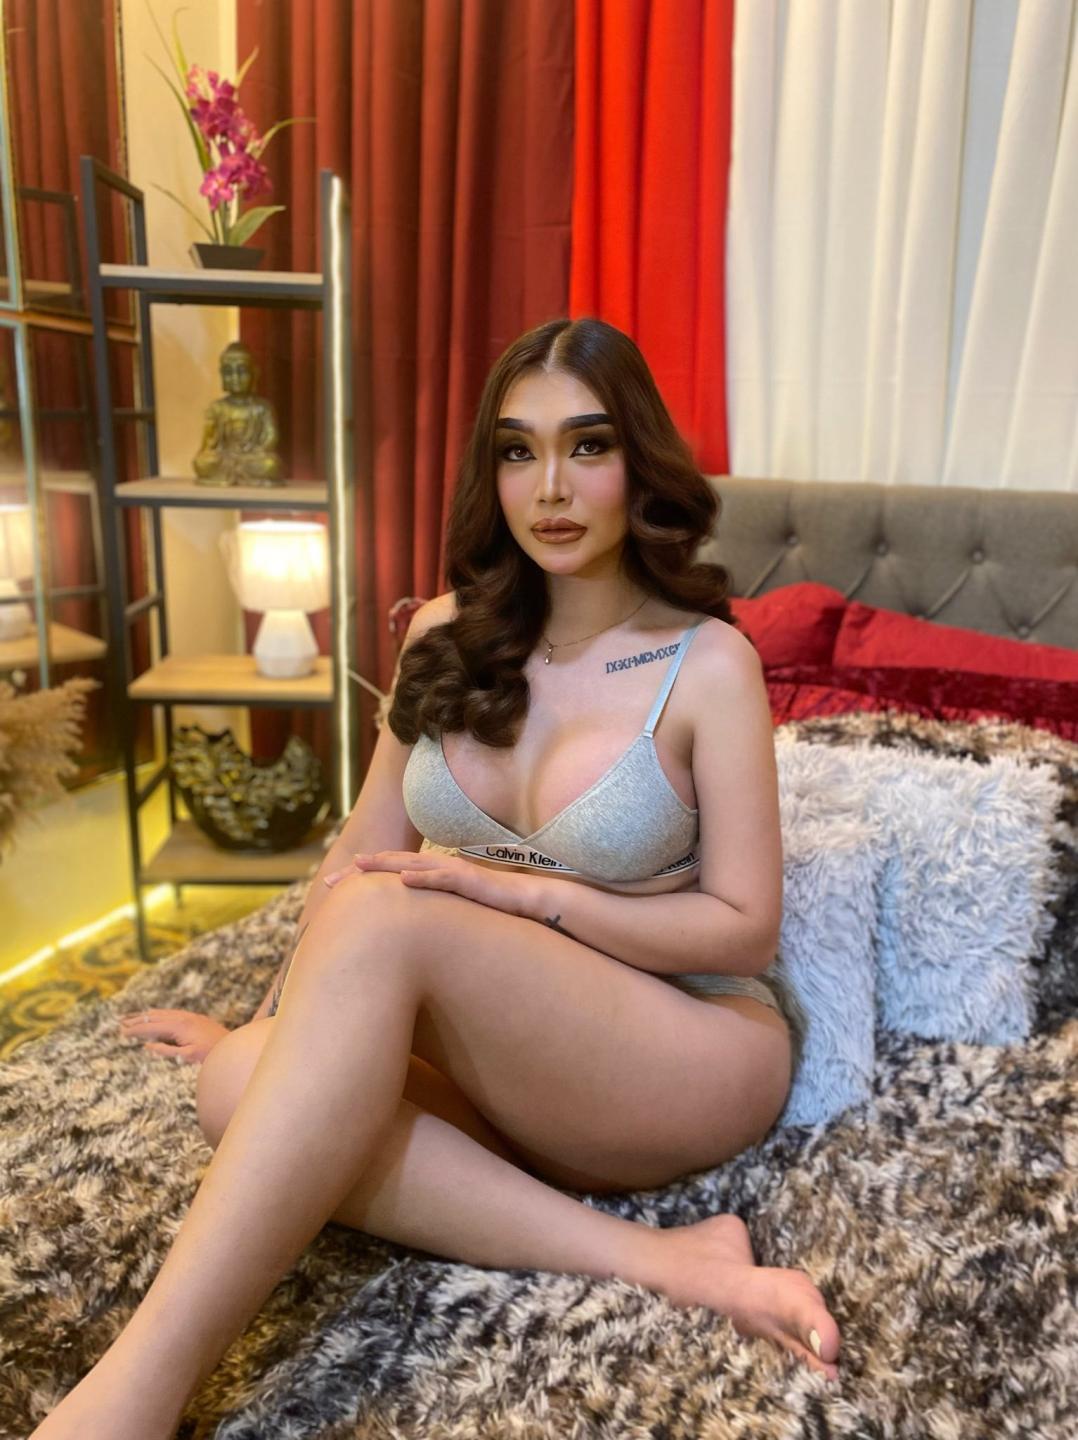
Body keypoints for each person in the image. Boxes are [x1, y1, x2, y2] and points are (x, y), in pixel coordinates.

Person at [32, 317, 839, 1437]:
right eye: (517, 451)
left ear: (639, 462)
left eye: (587, 446)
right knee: (237, 1085)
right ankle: (669, 1259)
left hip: (682, 1045)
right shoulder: (447, 635)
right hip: (509, 1056)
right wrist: (268, 1025)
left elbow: (746, 928)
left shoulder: (708, 664)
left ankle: (133, 1396)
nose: (549, 487)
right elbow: (357, 853)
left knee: (391, 917)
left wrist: (537, 896)